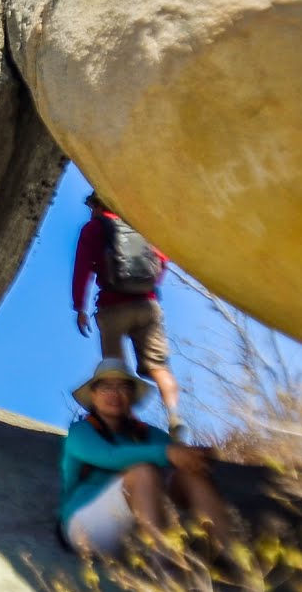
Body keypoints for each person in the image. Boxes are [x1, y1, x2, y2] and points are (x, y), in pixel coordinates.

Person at [58, 358, 231, 557]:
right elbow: (109, 456)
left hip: (135, 528)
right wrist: (167, 454)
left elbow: (180, 454)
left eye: (123, 387)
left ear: (131, 396)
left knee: (189, 472)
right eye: (106, 387)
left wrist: (197, 455)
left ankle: (232, 556)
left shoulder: (148, 434)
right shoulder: (81, 432)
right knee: (143, 472)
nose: (115, 393)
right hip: (85, 528)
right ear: (94, 396)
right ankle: (164, 565)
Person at [72, 192, 187, 439]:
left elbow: (82, 269)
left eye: (92, 206)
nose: (90, 211)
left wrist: (79, 307)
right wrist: (145, 286)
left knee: (115, 371)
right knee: (159, 367)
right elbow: (162, 261)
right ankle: (175, 418)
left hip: (112, 308)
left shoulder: (94, 228)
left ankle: (124, 429)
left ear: (98, 205)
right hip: (148, 305)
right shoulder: (140, 226)